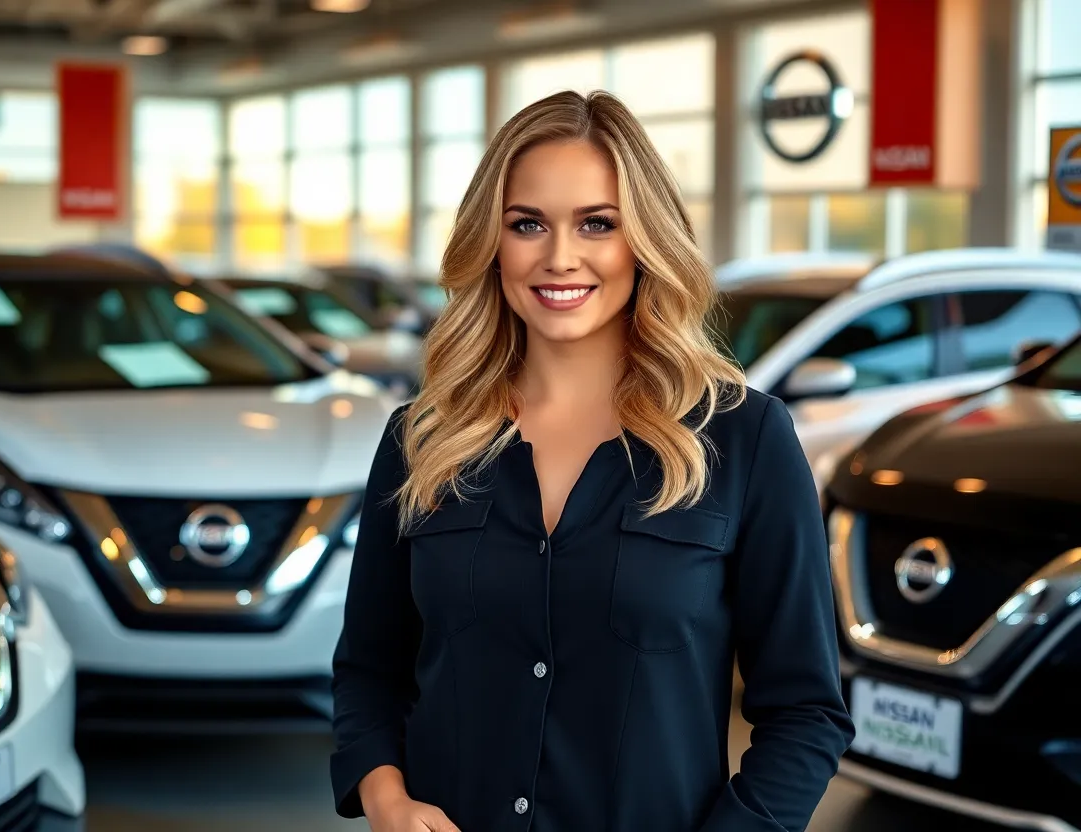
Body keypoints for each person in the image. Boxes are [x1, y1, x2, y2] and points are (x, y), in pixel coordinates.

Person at [329, 89, 854, 832]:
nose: (560, 256)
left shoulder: (745, 441)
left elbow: (806, 714)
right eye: (528, 224)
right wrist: (387, 799)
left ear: (643, 240)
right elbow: (368, 672)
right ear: (492, 241)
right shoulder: (420, 441)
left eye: (597, 224)